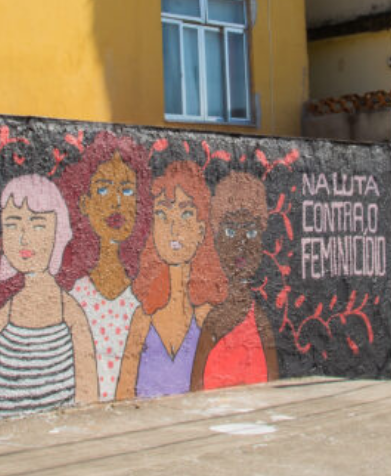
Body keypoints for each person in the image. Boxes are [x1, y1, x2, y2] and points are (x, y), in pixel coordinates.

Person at [0, 175, 96, 421]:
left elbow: (88, 393)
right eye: (13, 225)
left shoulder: (70, 314)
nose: (24, 237)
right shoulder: (3, 318)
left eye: (38, 225)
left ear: (58, 232)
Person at [116, 160, 226, 400]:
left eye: (186, 213)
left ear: (201, 230)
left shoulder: (208, 316)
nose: (173, 227)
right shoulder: (143, 318)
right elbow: (123, 392)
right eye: (162, 214)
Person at [57, 133, 151, 400]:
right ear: (85, 203)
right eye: (102, 188)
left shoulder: (143, 296)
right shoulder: (74, 297)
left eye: (127, 190)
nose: (116, 202)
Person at [191, 172, 279, 391]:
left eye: (250, 232)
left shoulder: (260, 323)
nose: (241, 243)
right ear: (217, 240)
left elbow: (275, 392)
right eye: (230, 231)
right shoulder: (211, 322)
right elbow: (195, 390)